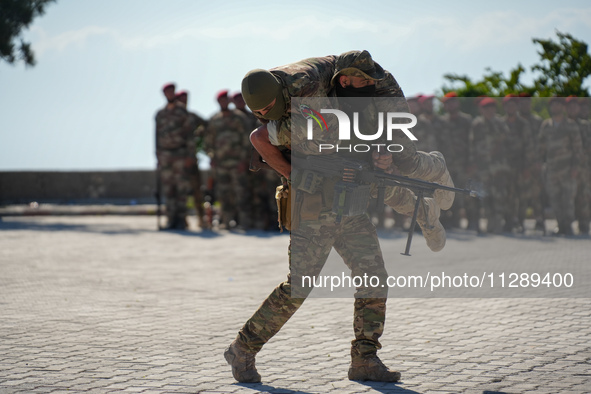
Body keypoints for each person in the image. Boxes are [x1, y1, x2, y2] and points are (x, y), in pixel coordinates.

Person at [224, 50, 455, 383]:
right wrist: (294, 174)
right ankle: (242, 349)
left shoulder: (339, 106)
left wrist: (380, 158)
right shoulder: (303, 116)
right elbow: (259, 137)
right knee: (298, 287)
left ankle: (365, 359)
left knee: (373, 275)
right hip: (314, 208)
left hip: (349, 204)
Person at [154, 84, 202, 230]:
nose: (170, 93)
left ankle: (181, 220)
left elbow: (189, 135)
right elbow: (156, 137)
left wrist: (189, 155)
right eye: (167, 91)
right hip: (165, 156)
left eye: (171, 91)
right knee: (169, 189)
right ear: (164, 94)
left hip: (181, 155)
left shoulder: (182, 112)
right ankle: (171, 220)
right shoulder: (160, 114)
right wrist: (157, 156)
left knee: (182, 189)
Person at [203, 90, 252, 229]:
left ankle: (244, 222)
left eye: (226, 100)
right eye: (221, 100)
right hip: (221, 164)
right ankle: (226, 221)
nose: (223, 102)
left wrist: (244, 160)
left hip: (238, 163)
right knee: (224, 194)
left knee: (241, 193)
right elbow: (208, 142)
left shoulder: (239, 118)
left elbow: (246, 140)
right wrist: (212, 157)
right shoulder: (214, 120)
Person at [538, 97, 584, 235]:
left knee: (568, 198)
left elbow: (578, 149)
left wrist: (576, 167)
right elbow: (541, 148)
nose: (556, 107)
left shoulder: (571, 125)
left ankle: (568, 226)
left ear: (563, 107)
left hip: (567, 169)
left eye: (558, 105)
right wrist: (540, 163)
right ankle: (560, 224)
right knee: (555, 198)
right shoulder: (546, 125)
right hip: (552, 169)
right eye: (553, 105)